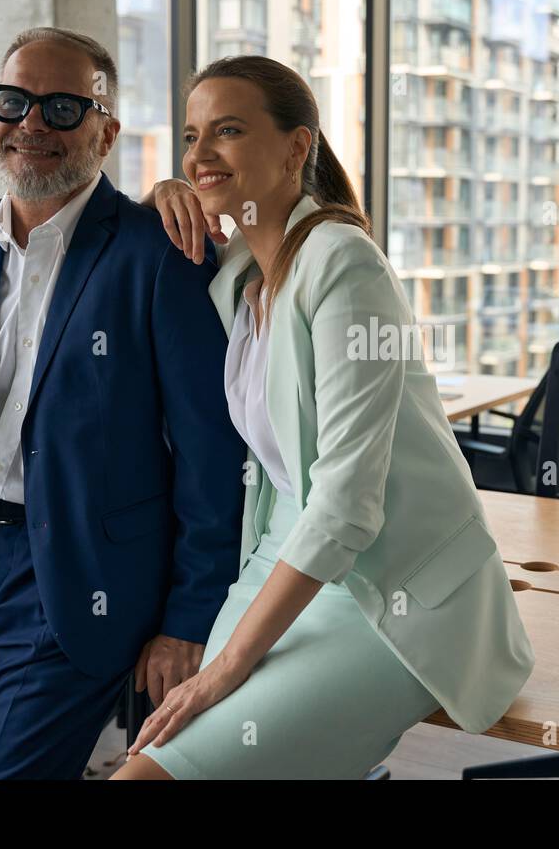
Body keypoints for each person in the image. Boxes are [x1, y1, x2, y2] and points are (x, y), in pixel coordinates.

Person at [111, 55, 534, 780]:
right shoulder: (242, 271)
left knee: (155, 772)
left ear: (296, 148)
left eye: (230, 130)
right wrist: (162, 196)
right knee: (171, 749)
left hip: (382, 593)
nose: (201, 154)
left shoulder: (342, 262)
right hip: (278, 563)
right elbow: (167, 223)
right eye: (191, 135)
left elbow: (345, 505)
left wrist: (222, 671)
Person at [0, 27, 246, 779]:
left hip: (74, 583)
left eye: (64, 107)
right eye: (15, 101)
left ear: (105, 133)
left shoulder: (161, 252)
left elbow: (212, 457)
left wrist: (187, 621)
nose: (32, 124)